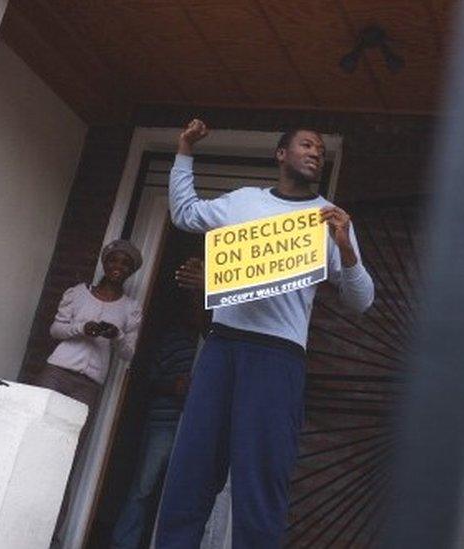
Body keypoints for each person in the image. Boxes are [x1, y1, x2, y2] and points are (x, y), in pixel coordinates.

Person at [155, 120, 374, 548]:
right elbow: (184, 214)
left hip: (278, 357)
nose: (316, 153)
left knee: (261, 482)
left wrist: (345, 247)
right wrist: (184, 149)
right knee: (191, 471)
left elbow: (361, 300)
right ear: (281, 154)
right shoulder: (242, 203)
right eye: (307, 144)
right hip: (221, 347)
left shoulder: (327, 219)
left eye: (321, 150)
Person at [41, 238, 144, 545]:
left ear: (130, 271)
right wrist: (80, 328)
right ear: (105, 261)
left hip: (89, 385)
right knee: (41, 439)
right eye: (114, 259)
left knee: (69, 454)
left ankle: (52, 536)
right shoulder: (77, 293)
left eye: (125, 264)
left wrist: (116, 335)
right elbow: (55, 330)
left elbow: (129, 353)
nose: (118, 267)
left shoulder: (130, 308)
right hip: (57, 373)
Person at [110, 256, 208, 549]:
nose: (196, 307)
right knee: (144, 487)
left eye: (201, 300)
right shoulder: (173, 339)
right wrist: (172, 386)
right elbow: (148, 378)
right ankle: (123, 544)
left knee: (183, 493)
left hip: (195, 428)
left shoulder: (215, 344)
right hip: (163, 423)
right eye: (192, 301)